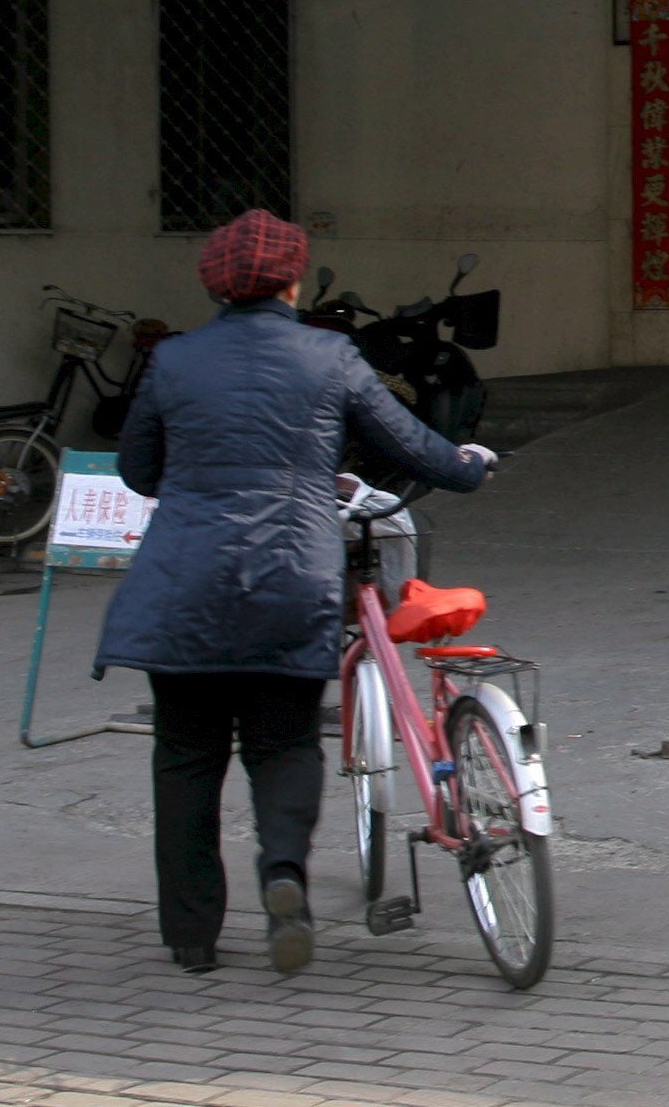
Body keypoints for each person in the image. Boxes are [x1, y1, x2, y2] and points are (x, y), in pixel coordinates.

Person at [96, 210, 494, 975]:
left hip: (182, 587)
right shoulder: (330, 356)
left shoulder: (172, 362)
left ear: (215, 283)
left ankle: (192, 937)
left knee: (184, 755)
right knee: (282, 744)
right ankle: (282, 872)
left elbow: (138, 470)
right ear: (291, 279)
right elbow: (413, 447)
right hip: (290, 579)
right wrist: (471, 466)